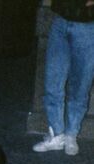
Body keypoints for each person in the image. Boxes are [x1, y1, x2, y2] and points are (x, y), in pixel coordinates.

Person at [33, 0, 94, 155]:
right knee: (52, 81)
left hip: (87, 26)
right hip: (60, 21)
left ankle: (71, 134)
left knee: (80, 85)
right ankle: (56, 134)